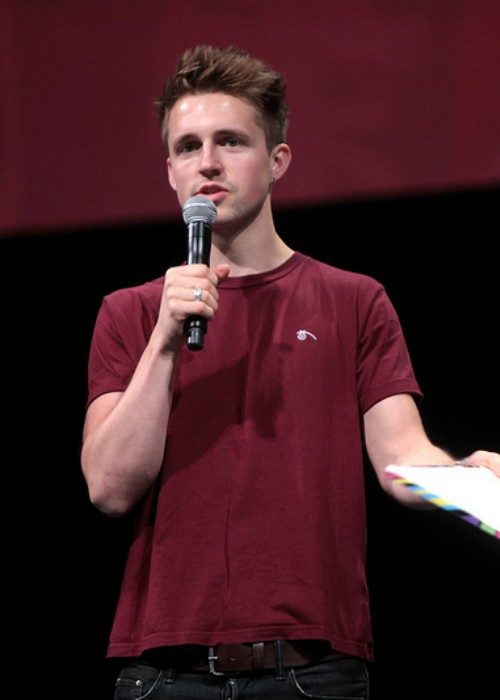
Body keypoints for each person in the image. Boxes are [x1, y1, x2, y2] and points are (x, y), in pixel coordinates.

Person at [81, 45, 500, 699]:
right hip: (164, 675)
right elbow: (108, 486)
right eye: (188, 147)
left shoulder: (354, 300)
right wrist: (164, 341)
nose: (208, 163)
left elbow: (401, 461)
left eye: (230, 141)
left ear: (277, 160)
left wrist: (469, 480)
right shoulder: (131, 314)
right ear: (170, 172)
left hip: (311, 673)